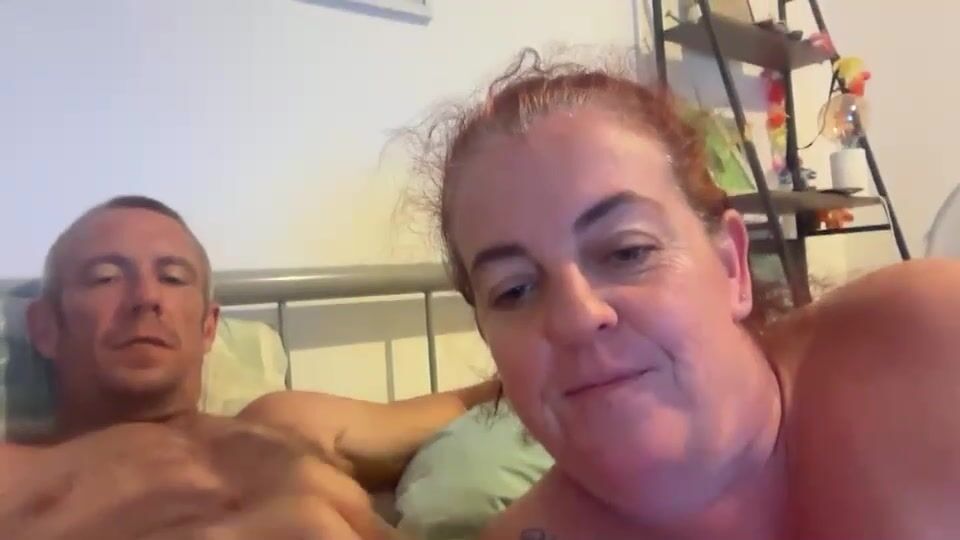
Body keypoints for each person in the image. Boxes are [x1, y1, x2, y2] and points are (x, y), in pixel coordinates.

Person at [414, 49, 960, 540]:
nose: (576, 316)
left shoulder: (931, 339)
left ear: (732, 267)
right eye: (514, 290)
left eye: (627, 251)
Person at [1, 195, 496, 539]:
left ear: (208, 327)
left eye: (173, 278)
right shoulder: (14, 470)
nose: (146, 298)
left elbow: (479, 400)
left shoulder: (285, 423)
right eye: (105, 277)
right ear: (45, 327)